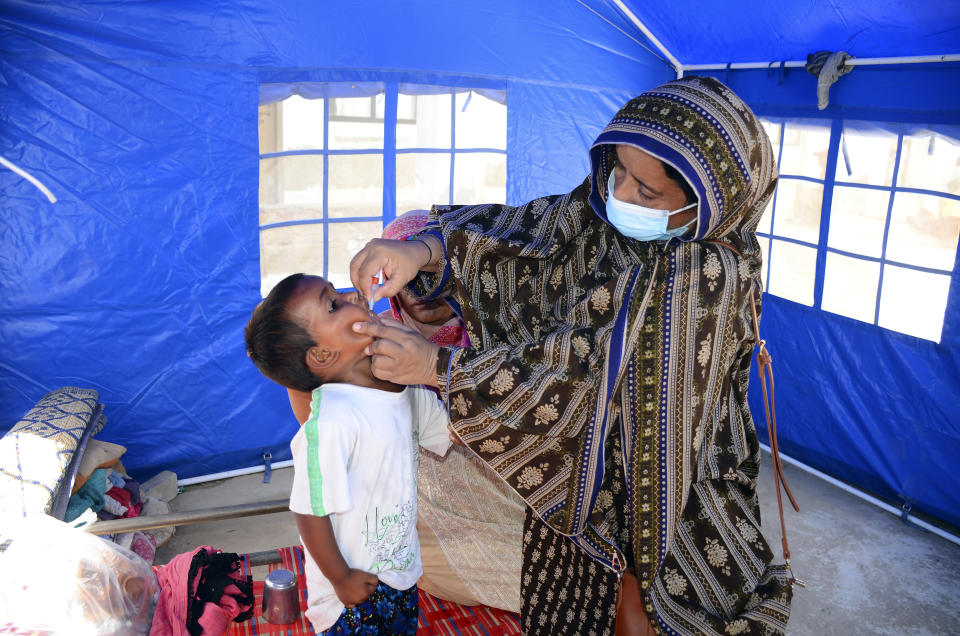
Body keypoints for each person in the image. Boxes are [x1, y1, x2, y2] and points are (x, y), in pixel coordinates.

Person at [349, 76, 794, 635]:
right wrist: (418, 249)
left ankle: (636, 586)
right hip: (597, 446)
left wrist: (440, 370)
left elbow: (586, 377)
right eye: (619, 171)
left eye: (647, 193)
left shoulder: (707, 277)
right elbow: (526, 238)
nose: (621, 196)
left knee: (652, 590)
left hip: (678, 472)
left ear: (708, 200)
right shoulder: (601, 212)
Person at [287, 212, 525, 612]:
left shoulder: (503, 332)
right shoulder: (370, 344)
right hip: (415, 519)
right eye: (409, 279)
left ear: (462, 275)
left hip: (504, 486)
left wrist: (439, 369)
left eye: (434, 276)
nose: (421, 292)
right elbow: (317, 430)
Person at [244, 273, 452, 635]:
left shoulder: (402, 390)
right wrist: (340, 577)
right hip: (350, 596)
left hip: (399, 573)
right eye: (333, 303)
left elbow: (452, 432)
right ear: (322, 354)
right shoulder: (331, 422)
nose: (351, 294)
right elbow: (309, 511)